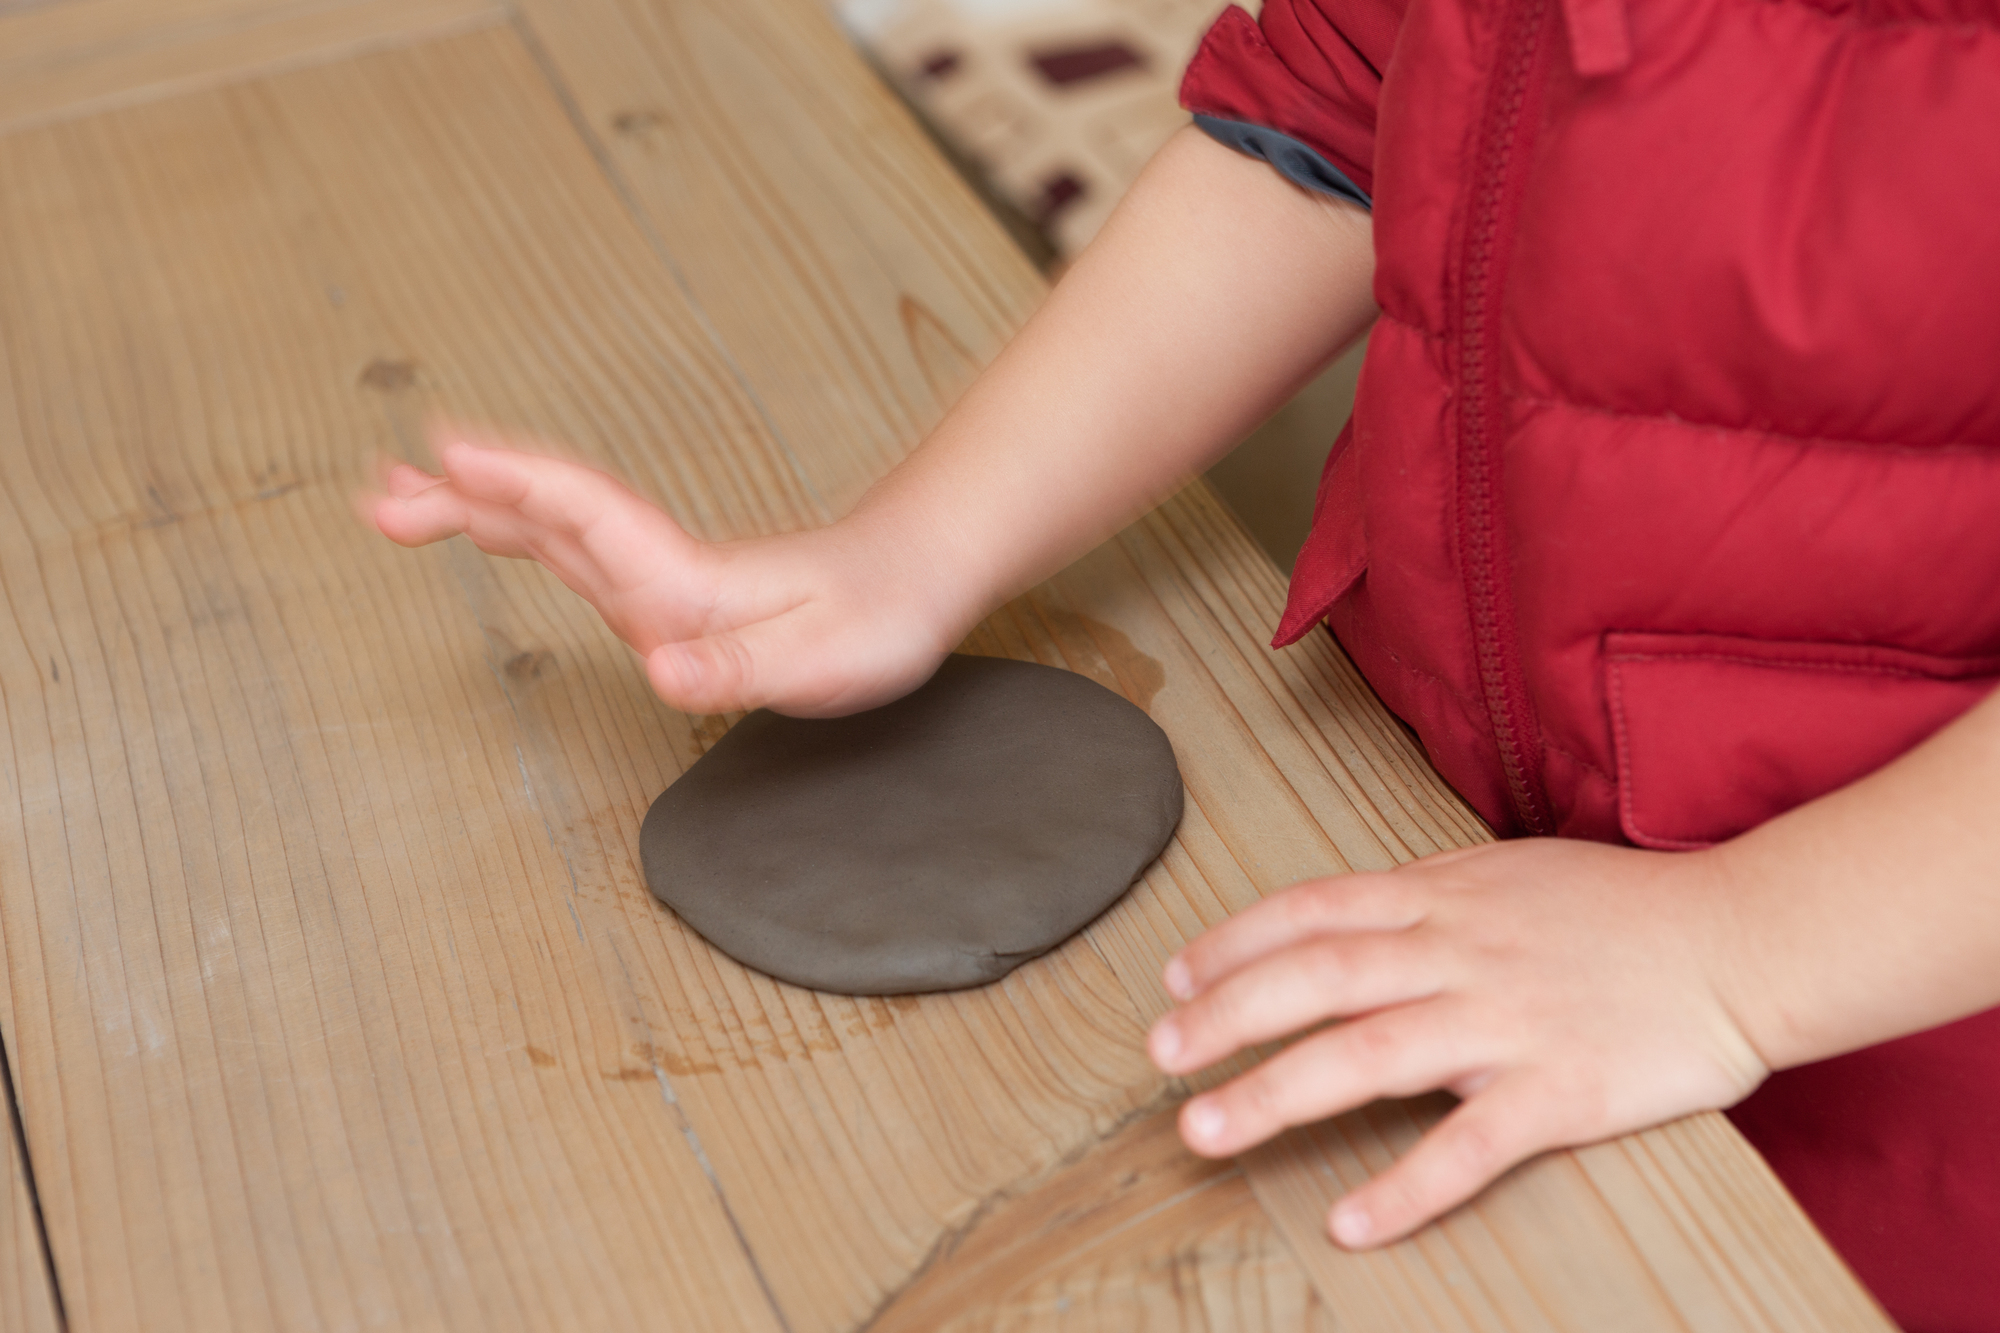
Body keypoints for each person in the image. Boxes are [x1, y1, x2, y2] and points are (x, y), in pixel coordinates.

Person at [364, 0, 2000, 1323]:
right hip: (1474, 851)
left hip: (1913, 1064)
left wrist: (1739, 951)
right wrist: (918, 547)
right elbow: (1333, 124)